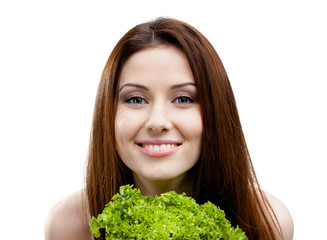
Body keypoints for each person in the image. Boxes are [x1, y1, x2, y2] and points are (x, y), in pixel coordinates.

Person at [44, 17, 294, 240]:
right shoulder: (68, 227)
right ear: (107, 114)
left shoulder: (267, 223)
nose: (158, 122)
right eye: (135, 99)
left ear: (217, 111)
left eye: (183, 99)